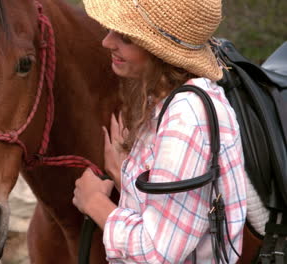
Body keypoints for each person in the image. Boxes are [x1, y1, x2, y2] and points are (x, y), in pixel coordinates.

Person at [72, 0, 249, 263]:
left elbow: (158, 253)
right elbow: (182, 211)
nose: (107, 42)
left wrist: (94, 202)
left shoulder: (187, 118)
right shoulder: (170, 100)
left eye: (126, 37)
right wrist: (127, 178)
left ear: (159, 50)